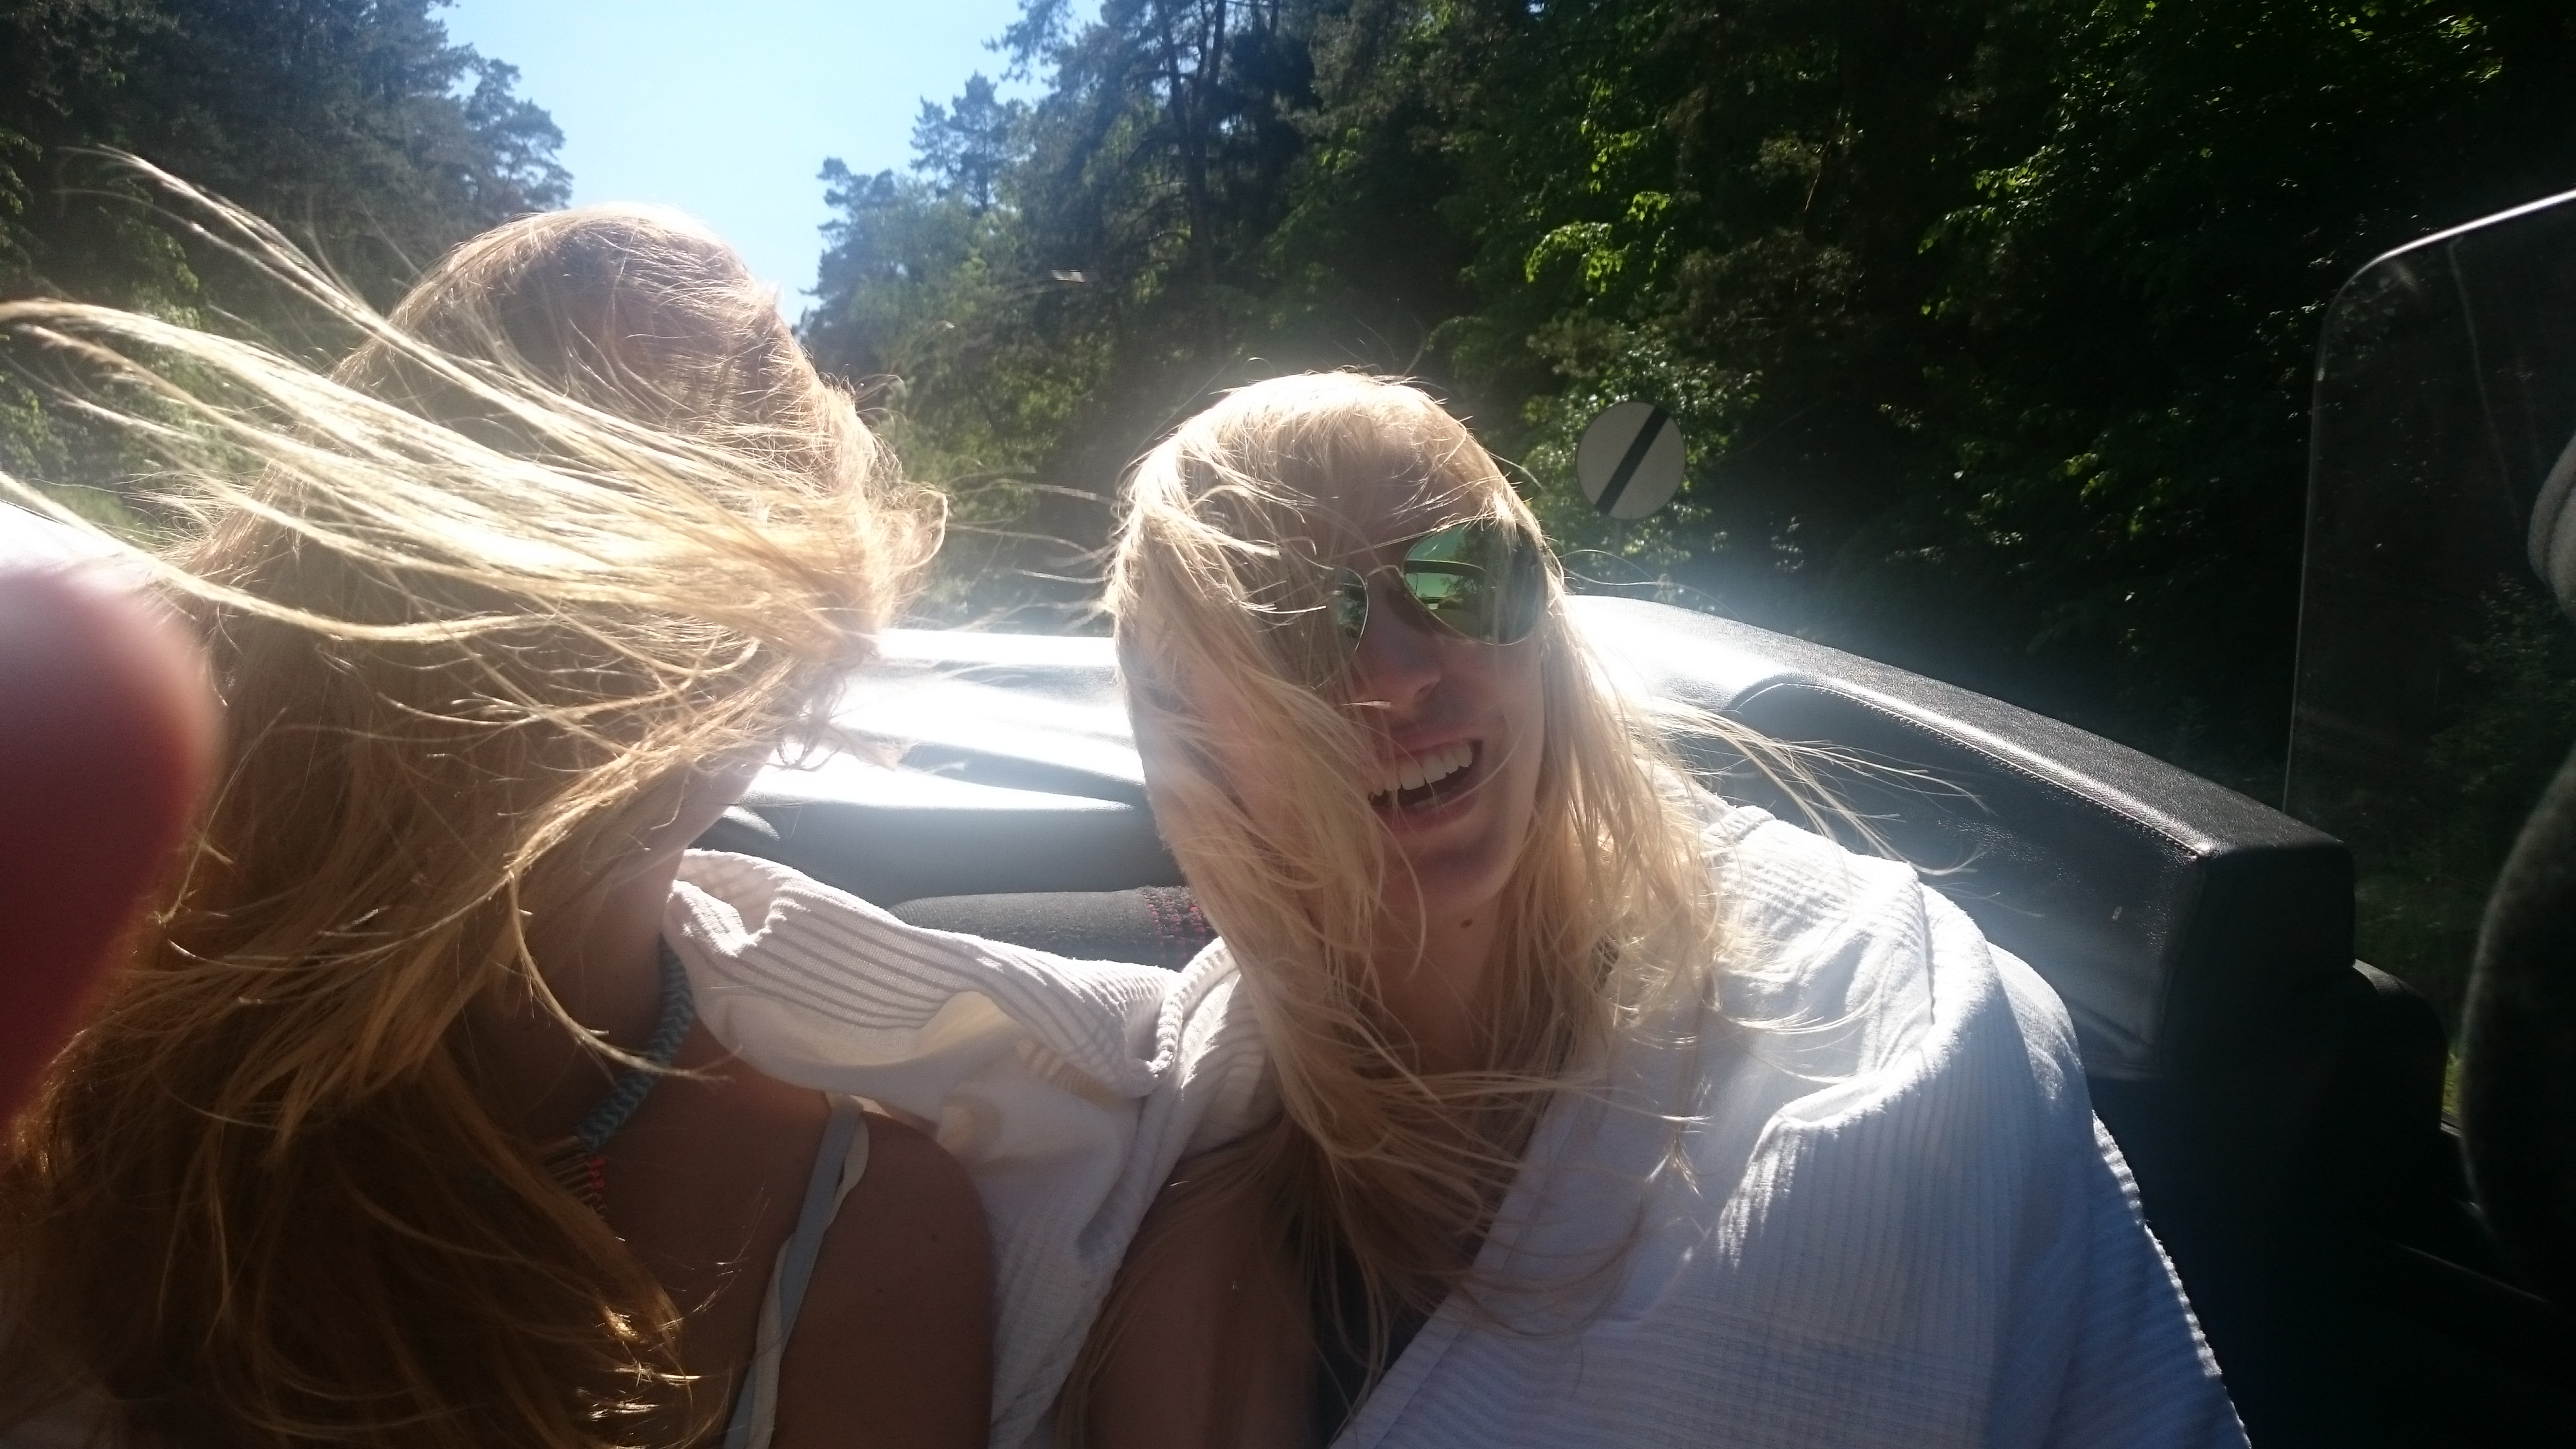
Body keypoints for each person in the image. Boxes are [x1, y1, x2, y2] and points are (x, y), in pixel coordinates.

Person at [648, 371, 2245, 1448]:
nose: (1405, 674)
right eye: (1298, 621)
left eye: (1461, 576)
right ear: (1188, 738)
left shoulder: (1895, 1012)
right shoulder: (1211, 1266)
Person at [0, 182, 990, 1449]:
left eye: (674, 574)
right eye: (554, 516)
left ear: (798, 674)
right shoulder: (68, 1073)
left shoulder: (870, 1225)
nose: (592, 667)